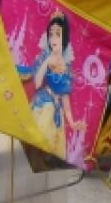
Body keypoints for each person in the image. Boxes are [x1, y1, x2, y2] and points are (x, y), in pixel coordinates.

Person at [19, 12, 85, 160]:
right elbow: (36, 83)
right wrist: (47, 62)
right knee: (37, 143)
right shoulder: (44, 57)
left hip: (57, 111)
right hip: (43, 104)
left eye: (58, 34)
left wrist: (72, 122)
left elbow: (65, 98)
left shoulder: (67, 67)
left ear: (64, 38)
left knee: (51, 152)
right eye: (51, 34)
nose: (54, 38)